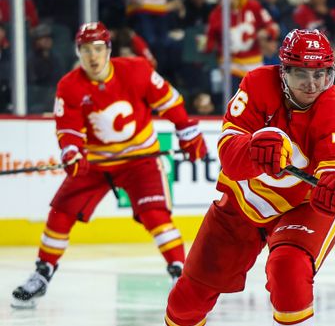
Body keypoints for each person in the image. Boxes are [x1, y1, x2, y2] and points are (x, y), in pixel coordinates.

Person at [136, 29, 335, 326]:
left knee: (289, 270)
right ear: (283, 71)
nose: (313, 84)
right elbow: (229, 156)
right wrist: (259, 145)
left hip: (300, 207)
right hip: (242, 200)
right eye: (302, 74)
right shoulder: (257, 84)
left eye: (322, 74)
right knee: (192, 289)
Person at [10, 21, 207, 309]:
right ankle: (42, 273)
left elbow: (169, 100)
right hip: (96, 163)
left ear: (108, 49)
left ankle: (183, 275)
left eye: (98, 48)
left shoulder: (136, 70)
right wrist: (71, 152)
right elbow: (69, 130)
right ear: (78, 52)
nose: (93, 56)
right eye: (86, 49)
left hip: (140, 159)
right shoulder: (70, 85)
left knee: (155, 215)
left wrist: (186, 129)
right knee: (61, 212)